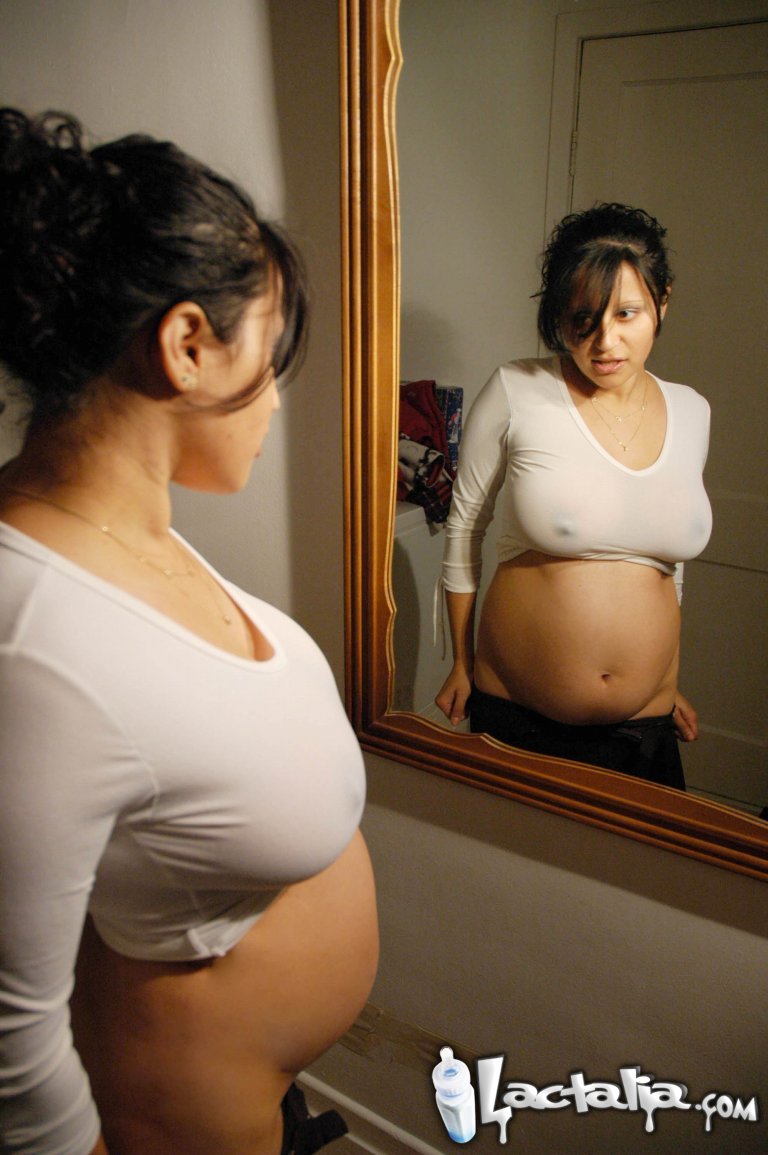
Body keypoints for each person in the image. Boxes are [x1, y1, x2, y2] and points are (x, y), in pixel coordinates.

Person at [0, 109, 378, 1155]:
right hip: (185, 1114)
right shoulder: (27, 635)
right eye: (270, 353)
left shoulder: (123, 532)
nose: (275, 402)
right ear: (187, 345)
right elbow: (12, 1048)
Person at [435, 203, 712, 788]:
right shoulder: (517, 388)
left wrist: (665, 677)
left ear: (662, 302)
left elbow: (669, 566)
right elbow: (465, 528)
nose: (605, 341)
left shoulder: (692, 411)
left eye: (627, 313)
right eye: (582, 318)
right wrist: (459, 661)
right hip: (520, 715)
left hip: (646, 724)